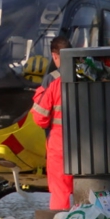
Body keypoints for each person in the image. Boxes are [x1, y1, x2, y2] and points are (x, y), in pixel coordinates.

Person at [31, 36, 73, 210]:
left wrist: (39, 93)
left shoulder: (52, 80)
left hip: (60, 144)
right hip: (90, 144)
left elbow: (40, 117)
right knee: (87, 188)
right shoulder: (90, 76)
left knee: (60, 190)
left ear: (55, 56)